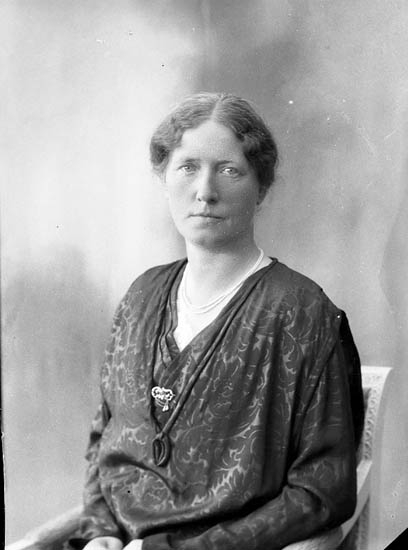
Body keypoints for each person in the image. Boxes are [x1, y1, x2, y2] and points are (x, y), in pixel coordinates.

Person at [74, 93, 364, 550]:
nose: (205, 191)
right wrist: (100, 532)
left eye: (229, 170)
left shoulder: (302, 314)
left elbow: (322, 492)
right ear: (164, 178)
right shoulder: (140, 297)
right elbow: (103, 442)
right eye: (187, 167)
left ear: (261, 187)